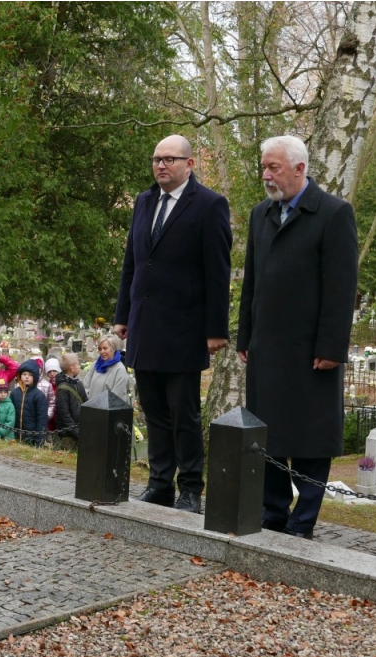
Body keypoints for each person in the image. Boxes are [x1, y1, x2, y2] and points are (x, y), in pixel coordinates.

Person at [236, 135, 358, 539]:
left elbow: (341, 288)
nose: (266, 175)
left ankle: (302, 519)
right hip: (267, 347)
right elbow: (251, 282)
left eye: (274, 167)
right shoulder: (261, 214)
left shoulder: (333, 213)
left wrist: (331, 347)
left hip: (310, 351)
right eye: (264, 167)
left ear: (300, 168)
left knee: (309, 436)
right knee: (267, 433)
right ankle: (272, 511)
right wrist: (245, 337)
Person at [113, 134, 232, 514]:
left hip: (184, 329)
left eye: (169, 159)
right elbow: (132, 262)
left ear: (189, 164)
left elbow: (217, 272)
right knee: (153, 412)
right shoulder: (145, 201)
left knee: (184, 414)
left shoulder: (210, 205)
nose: (161, 166)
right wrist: (121, 316)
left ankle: (191, 489)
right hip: (145, 326)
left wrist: (216, 330)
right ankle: (159, 483)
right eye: (156, 159)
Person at [80, 333, 131, 402]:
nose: (102, 352)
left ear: (112, 349)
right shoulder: (96, 364)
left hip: (108, 410)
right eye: (100, 349)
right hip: (91, 407)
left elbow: (116, 396)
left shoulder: (120, 369)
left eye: (105, 348)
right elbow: (86, 384)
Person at [10, 359, 48, 447]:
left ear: (35, 377)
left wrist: (39, 441)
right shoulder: (14, 393)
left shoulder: (39, 396)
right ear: (20, 376)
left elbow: (42, 419)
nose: (27, 377)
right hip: (15, 435)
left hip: (31, 437)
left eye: (30, 375)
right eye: (24, 374)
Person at [54, 353, 88, 451]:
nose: (79, 366)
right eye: (77, 364)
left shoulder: (78, 383)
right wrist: (76, 431)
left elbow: (86, 402)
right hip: (68, 434)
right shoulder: (63, 388)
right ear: (71, 368)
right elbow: (65, 414)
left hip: (80, 429)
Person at [38, 357, 60, 433]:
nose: (52, 374)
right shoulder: (47, 386)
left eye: (54, 371)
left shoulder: (62, 385)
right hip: (50, 418)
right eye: (49, 372)